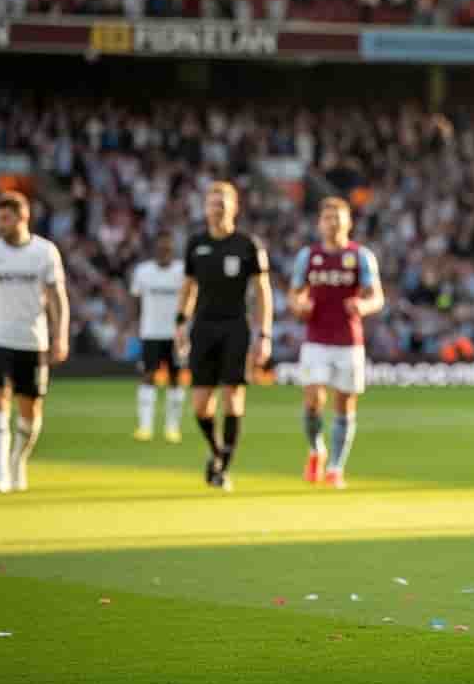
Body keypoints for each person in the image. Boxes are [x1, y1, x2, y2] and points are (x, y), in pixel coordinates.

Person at [0, 191, 69, 493]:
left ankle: (16, 460)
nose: (0, 224)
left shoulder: (45, 252)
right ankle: (0, 475)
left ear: (23, 218)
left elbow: (57, 298)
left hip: (33, 341)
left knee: (30, 410)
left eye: (5, 218)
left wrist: (60, 334)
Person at [173, 181, 272, 491]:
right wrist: (180, 323)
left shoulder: (247, 245)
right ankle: (217, 451)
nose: (217, 208)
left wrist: (264, 333)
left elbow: (262, 291)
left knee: (233, 396)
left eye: (223, 202)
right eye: (212, 202)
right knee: (201, 405)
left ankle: (223, 468)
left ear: (235, 207)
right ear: (205, 208)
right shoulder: (195, 244)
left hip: (235, 327)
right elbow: (188, 287)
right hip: (202, 327)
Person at [288, 197, 384, 489]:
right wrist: (299, 306)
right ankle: (316, 449)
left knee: (345, 403)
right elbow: (295, 294)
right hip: (316, 339)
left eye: (338, 218)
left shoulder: (361, 256)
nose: (333, 223)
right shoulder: (309, 256)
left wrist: (363, 306)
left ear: (348, 222)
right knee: (314, 398)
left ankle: (335, 468)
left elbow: (377, 297)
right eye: (327, 218)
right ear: (319, 223)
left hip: (348, 341)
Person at [130, 236, 186, 444]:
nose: (164, 253)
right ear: (155, 250)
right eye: (160, 249)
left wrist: (186, 328)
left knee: (175, 378)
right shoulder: (143, 272)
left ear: (173, 250)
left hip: (175, 335)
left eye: (167, 249)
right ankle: (145, 427)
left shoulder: (182, 271)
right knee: (148, 376)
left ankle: (172, 428)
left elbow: (192, 297)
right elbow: (135, 299)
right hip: (150, 332)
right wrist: (134, 325)